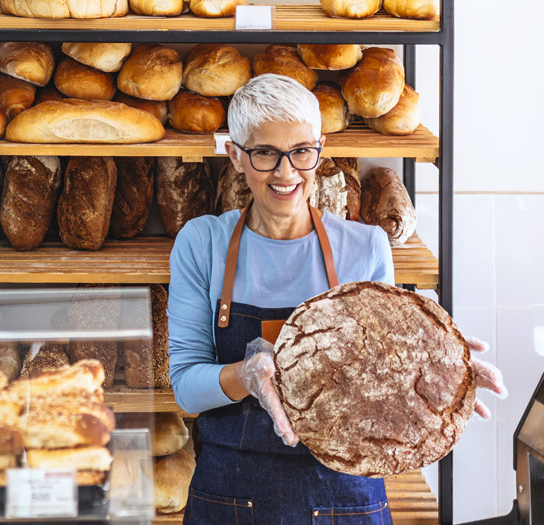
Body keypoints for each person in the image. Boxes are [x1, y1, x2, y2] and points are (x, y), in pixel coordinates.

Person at [167, 74, 505, 523]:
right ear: (235, 155)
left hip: (346, 500)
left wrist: (444, 373)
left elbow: (387, 378)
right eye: (265, 153)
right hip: (231, 495)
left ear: (320, 149)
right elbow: (187, 388)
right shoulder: (201, 243)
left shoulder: (366, 246)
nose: (286, 173)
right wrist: (246, 376)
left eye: (301, 152)